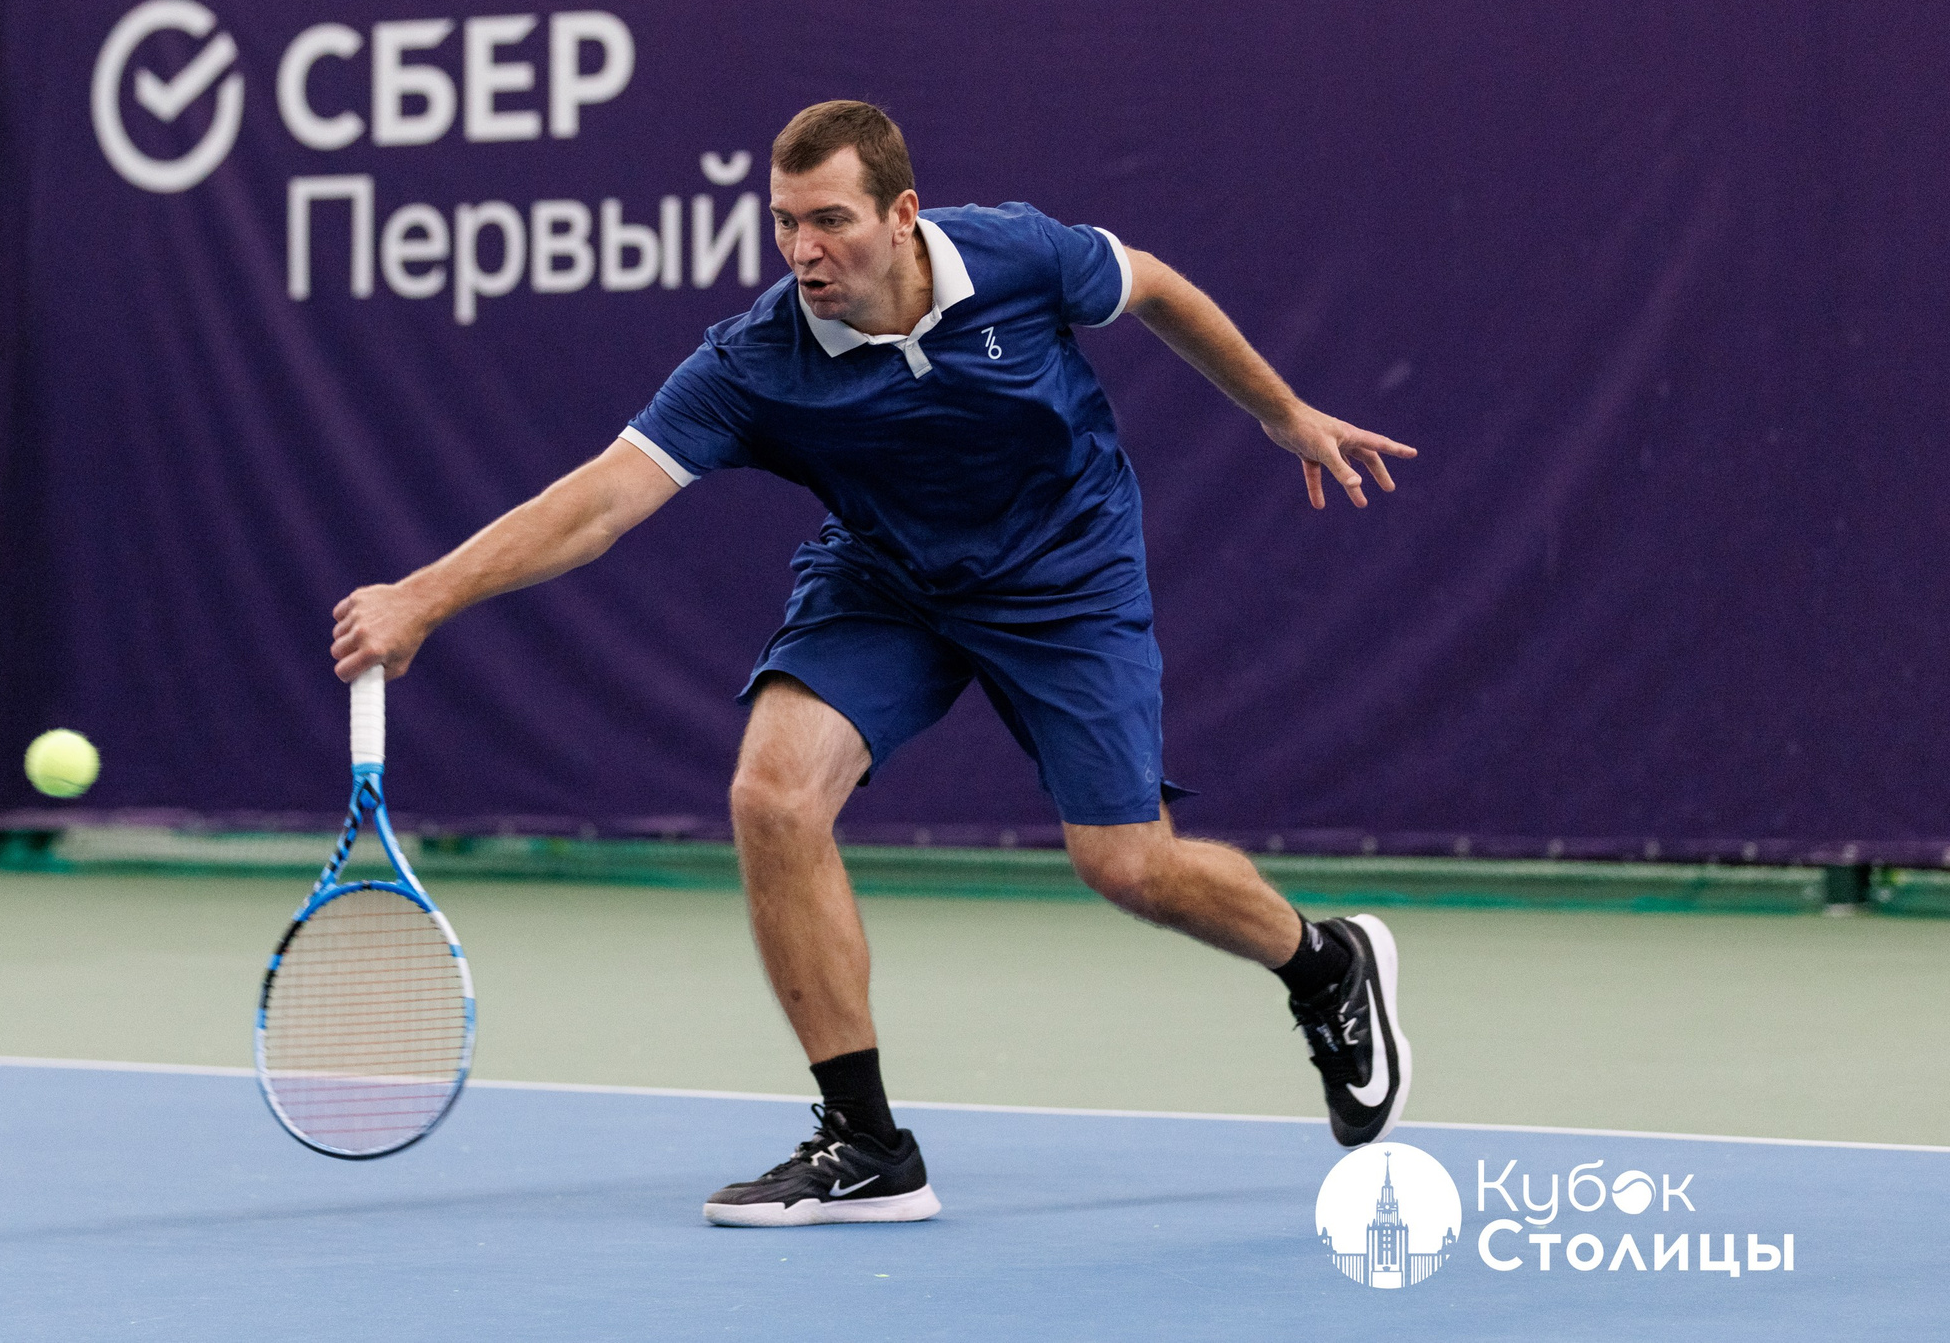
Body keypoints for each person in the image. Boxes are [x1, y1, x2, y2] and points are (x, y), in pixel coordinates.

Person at [331, 100, 1418, 1227]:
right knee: (771, 793)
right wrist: (424, 596)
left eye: (831, 220)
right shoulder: (755, 359)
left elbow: (1152, 287)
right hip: (888, 578)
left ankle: (1321, 962)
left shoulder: (1016, 256)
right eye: (783, 223)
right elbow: (601, 498)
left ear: (902, 215)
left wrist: (1280, 410)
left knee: (1127, 865)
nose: (804, 250)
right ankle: (866, 1142)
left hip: (1063, 572)